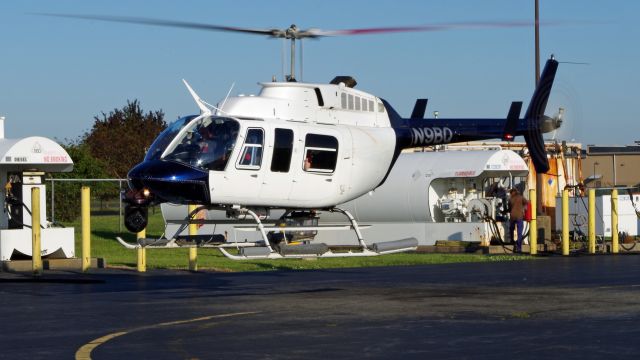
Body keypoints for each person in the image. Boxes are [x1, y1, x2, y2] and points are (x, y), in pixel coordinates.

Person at [508, 188, 528, 253]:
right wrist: (523, 208)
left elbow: (509, 209)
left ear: (511, 193)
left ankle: (512, 241)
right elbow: (527, 203)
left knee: (511, 229)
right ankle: (519, 248)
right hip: (519, 216)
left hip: (512, 216)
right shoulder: (521, 197)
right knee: (519, 232)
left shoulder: (510, 199)